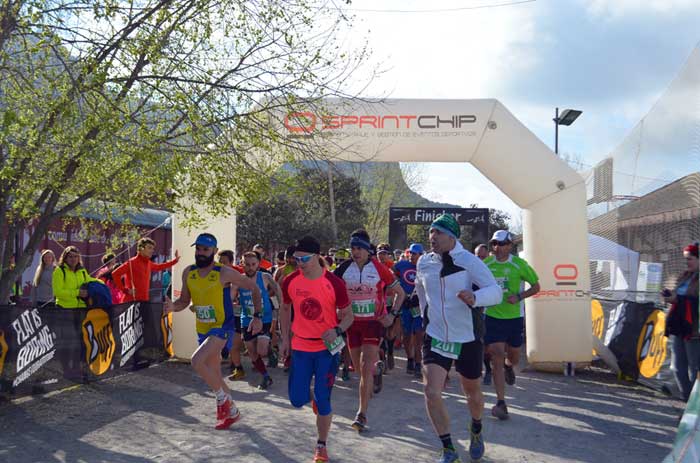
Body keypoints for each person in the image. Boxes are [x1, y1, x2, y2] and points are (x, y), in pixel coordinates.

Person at [414, 214, 502, 463]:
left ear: (452, 237)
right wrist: (425, 317)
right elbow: (421, 292)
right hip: (437, 334)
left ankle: (476, 427)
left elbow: (495, 291)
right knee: (431, 391)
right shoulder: (424, 262)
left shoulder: (469, 261)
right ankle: (449, 449)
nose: (432, 237)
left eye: (438, 233)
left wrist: (476, 298)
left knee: (472, 393)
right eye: (431, 232)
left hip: (467, 337)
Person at [165, 233, 263, 430]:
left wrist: (257, 315)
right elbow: (184, 301)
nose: (200, 253)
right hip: (203, 328)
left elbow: (253, 288)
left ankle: (221, 400)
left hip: (223, 326)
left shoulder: (223, 272)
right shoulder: (188, 273)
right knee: (215, 375)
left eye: (205, 250)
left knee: (196, 361)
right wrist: (172, 307)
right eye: (198, 249)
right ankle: (232, 413)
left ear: (215, 252)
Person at [279, 235, 354, 463]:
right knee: (296, 398)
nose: (300, 263)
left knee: (323, 398)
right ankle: (313, 398)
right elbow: (284, 309)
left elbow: (349, 316)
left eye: (305, 259)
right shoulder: (290, 281)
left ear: (318, 256)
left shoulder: (334, 283)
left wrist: (338, 330)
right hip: (300, 346)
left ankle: (321, 445)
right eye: (297, 259)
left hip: (327, 349)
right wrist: (284, 340)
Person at [334, 229, 405, 432]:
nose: (355, 252)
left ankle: (361, 414)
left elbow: (400, 293)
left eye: (359, 248)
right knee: (358, 370)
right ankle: (377, 370)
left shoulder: (380, 268)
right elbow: (328, 289)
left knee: (365, 368)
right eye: (352, 248)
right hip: (352, 325)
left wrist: (393, 315)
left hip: (373, 323)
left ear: (367, 250)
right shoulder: (343, 268)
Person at [483, 230, 540, 420]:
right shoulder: (486, 264)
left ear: (510, 246)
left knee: (514, 356)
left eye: (502, 244)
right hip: (492, 317)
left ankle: (510, 366)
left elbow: (536, 286)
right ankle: (501, 402)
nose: (498, 248)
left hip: (514, 318)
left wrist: (520, 296)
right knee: (496, 357)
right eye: (495, 244)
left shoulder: (519, 264)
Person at [239, 251, 282, 389]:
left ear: (258, 264)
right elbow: (231, 296)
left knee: (261, 350)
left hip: (265, 318)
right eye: (247, 265)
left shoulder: (264, 277)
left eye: (253, 264)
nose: (250, 267)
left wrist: (281, 308)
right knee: (251, 351)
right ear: (242, 264)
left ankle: (270, 351)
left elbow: (277, 290)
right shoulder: (238, 280)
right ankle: (265, 377)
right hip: (247, 319)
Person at [664, 242, 699, 401]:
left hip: (694, 330)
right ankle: (688, 402)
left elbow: (693, 302)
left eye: (690, 259)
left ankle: (694, 406)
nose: (687, 262)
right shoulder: (685, 276)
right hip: (680, 327)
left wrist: (678, 299)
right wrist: (669, 296)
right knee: (677, 368)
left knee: (695, 369)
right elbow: (678, 297)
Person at [113, 238, 180, 302]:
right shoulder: (131, 262)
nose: (152, 250)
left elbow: (159, 267)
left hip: (144, 301)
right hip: (130, 303)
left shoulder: (148, 263)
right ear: (141, 249)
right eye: (149, 248)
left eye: (153, 248)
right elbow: (115, 274)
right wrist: (125, 290)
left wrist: (175, 261)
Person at [394, 243, 424, 379]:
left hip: (419, 307)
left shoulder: (426, 267)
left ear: (421, 255)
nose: (412, 256)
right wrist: (399, 289)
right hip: (405, 306)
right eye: (410, 253)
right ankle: (410, 359)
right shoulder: (402, 265)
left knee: (418, 336)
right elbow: (391, 275)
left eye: (415, 253)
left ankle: (418, 363)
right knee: (406, 336)